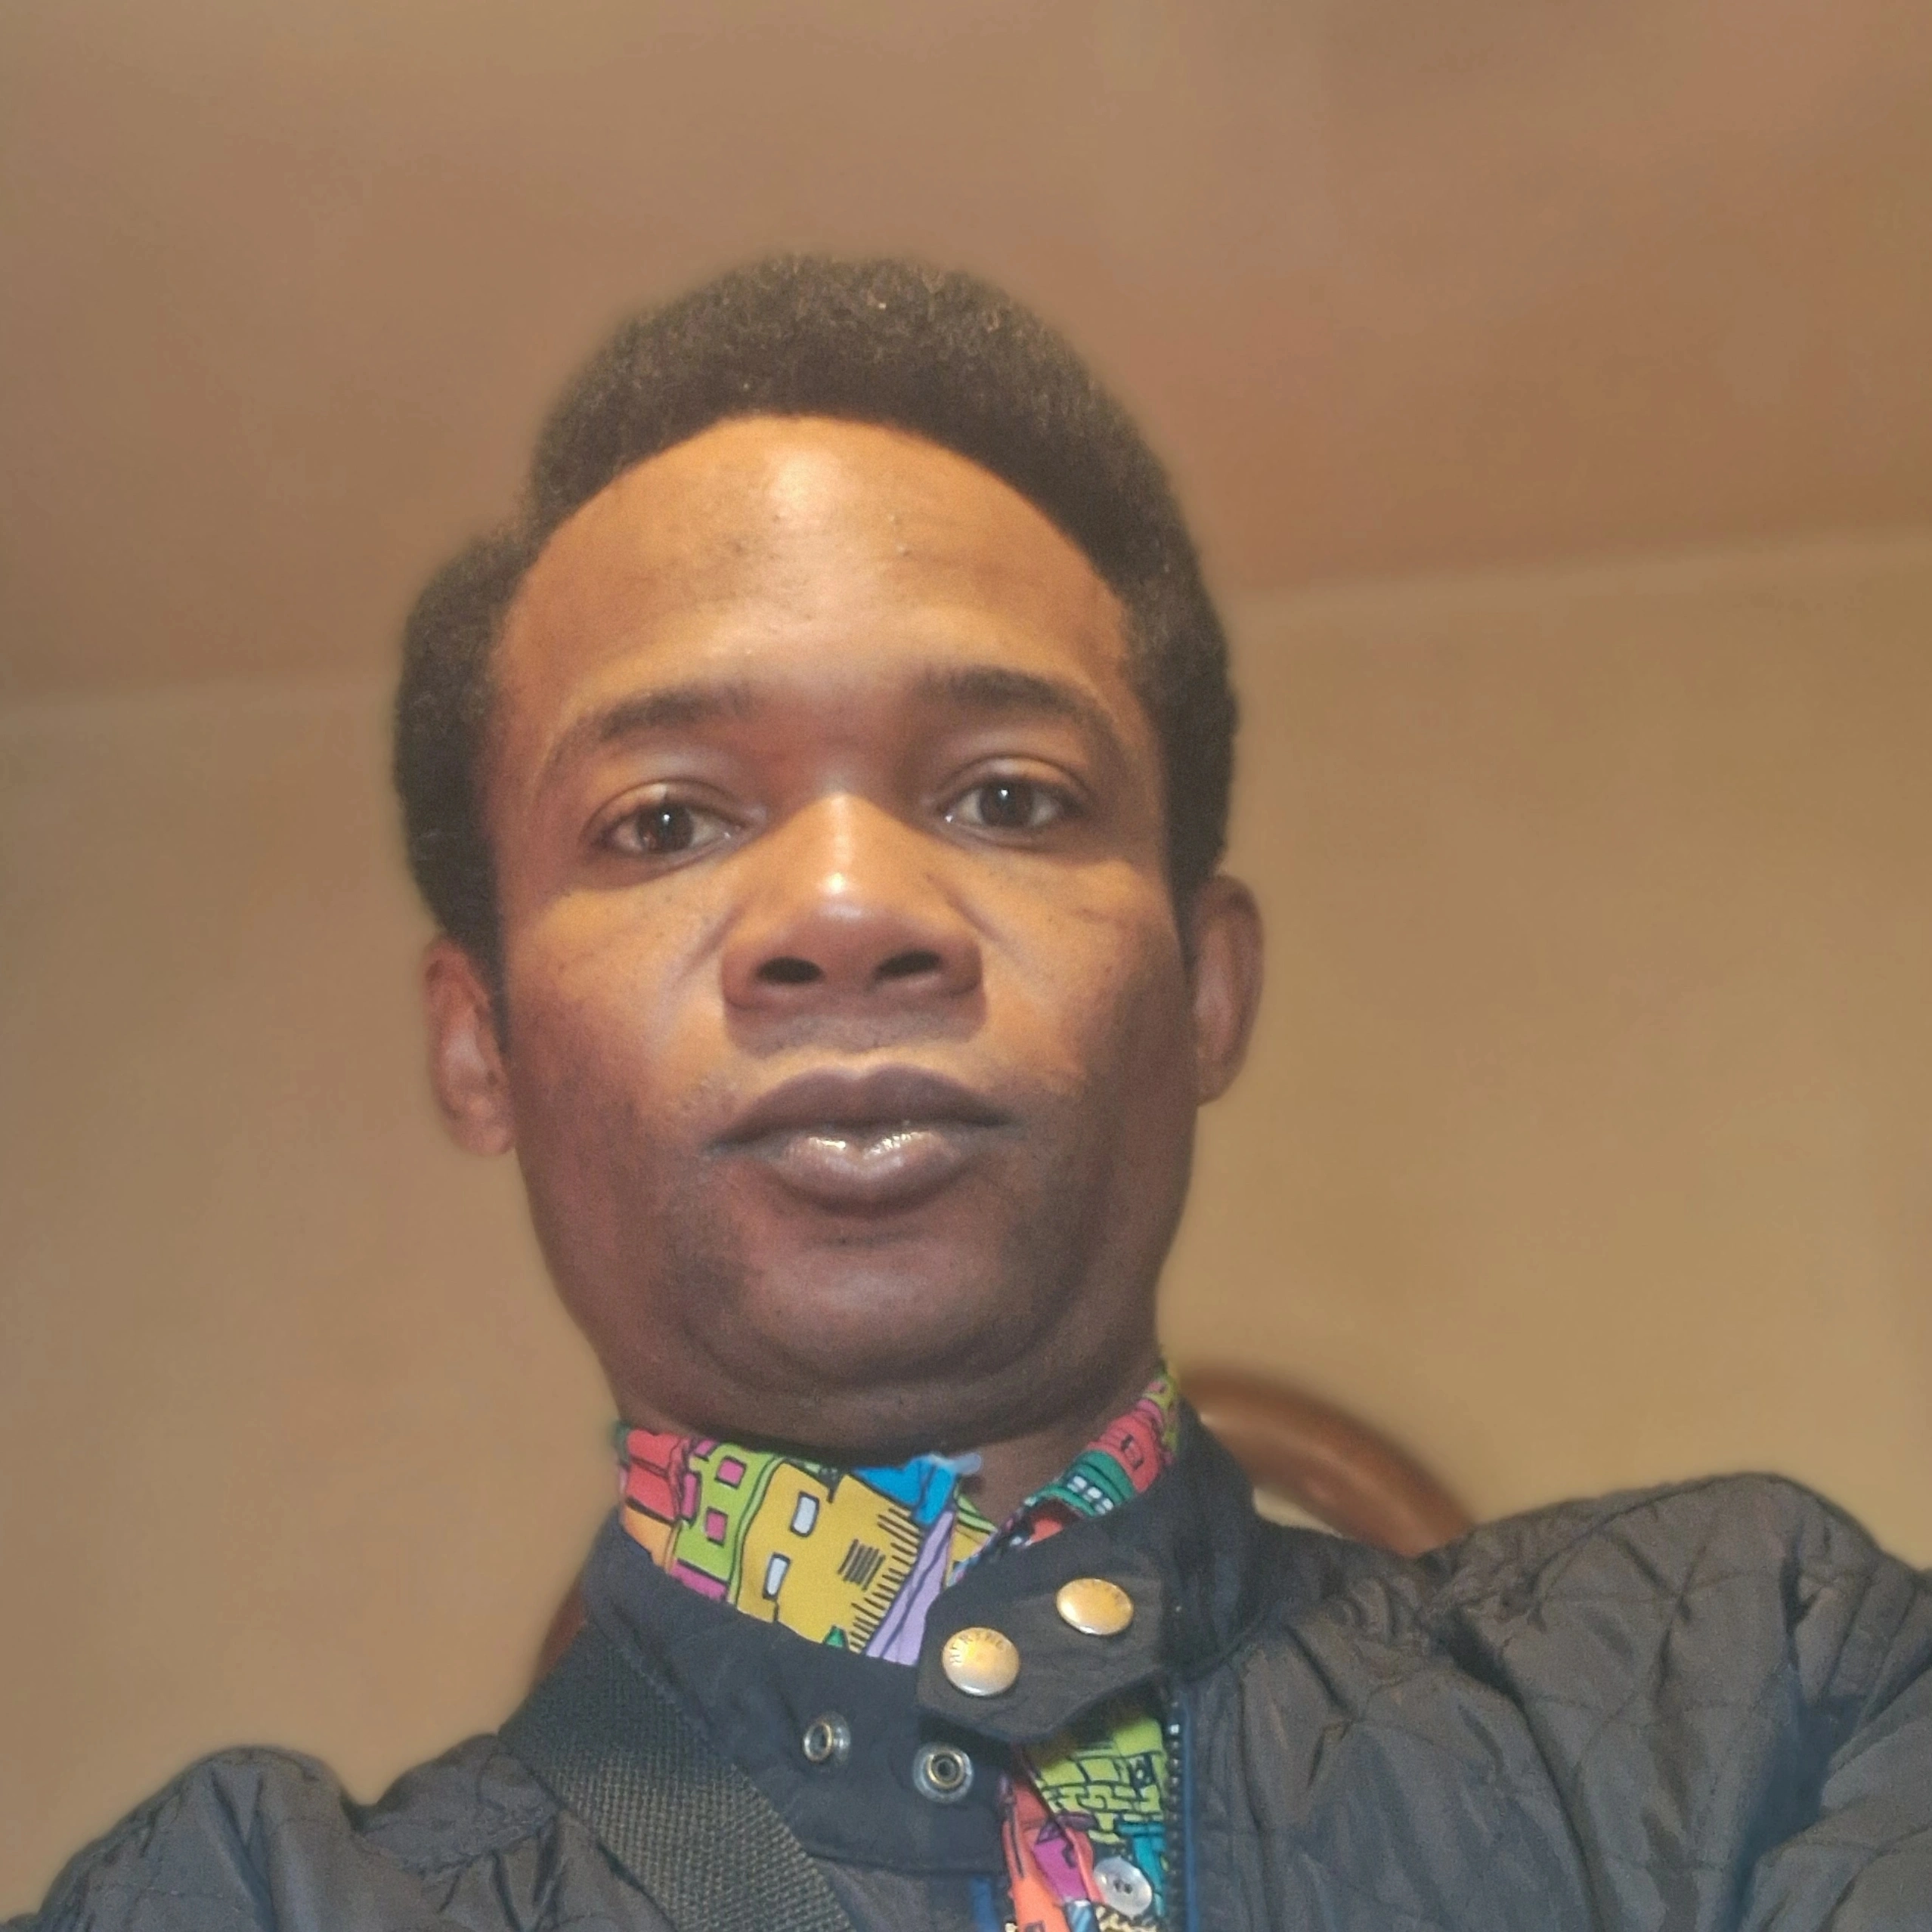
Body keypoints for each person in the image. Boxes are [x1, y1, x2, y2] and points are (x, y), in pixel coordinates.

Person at [15, 255, 1929, 1932]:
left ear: (1206, 991)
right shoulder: (244, 1906)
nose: (849, 914)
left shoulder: (1754, 1691)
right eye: (665, 819)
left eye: (1009, 795)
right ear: (481, 1045)